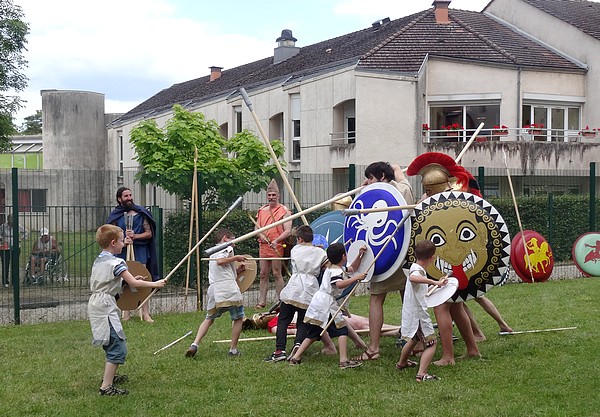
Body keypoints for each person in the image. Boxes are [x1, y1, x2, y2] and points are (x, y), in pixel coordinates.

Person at [88, 224, 166, 396]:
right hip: (105, 306)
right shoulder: (117, 262)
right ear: (114, 242)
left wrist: (125, 281)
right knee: (117, 345)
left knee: (110, 341)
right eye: (122, 241)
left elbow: (108, 281)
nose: (124, 243)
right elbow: (135, 284)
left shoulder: (100, 259)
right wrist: (155, 284)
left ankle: (110, 376)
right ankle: (106, 387)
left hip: (96, 304)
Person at [354, 161, 415, 361]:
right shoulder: (402, 190)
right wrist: (395, 171)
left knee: (377, 298)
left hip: (385, 256)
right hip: (399, 257)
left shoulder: (372, 195)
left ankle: (373, 348)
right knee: (408, 297)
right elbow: (403, 183)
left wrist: (365, 191)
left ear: (381, 176)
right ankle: (419, 343)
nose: (367, 181)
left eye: (371, 177)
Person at [288, 243, 367, 369]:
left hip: (319, 302)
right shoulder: (335, 271)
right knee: (342, 330)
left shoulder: (334, 268)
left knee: (314, 333)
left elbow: (352, 268)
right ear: (343, 256)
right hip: (326, 304)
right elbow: (339, 284)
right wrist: (356, 278)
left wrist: (360, 255)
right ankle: (343, 360)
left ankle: (296, 357)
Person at [264, 225, 327, 362]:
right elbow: (325, 266)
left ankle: (280, 350)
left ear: (299, 239)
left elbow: (305, 251)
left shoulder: (295, 249)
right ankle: (298, 344)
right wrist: (320, 250)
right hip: (310, 288)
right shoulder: (321, 253)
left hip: (294, 288)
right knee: (303, 322)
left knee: (283, 320)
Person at [186, 229, 247, 358]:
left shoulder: (212, 252)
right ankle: (233, 350)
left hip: (215, 289)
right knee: (238, 318)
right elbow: (220, 262)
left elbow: (222, 269)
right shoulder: (226, 249)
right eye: (233, 239)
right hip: (228, 289)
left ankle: (195, 344)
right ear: (225, 238)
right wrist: (236, 257)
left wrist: (237, 270)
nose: (234, 244)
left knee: (209, 318)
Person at [107, 187, 159, 323]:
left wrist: (135, 236)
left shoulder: (141, 213)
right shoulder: (116, 216)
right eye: (126, 196)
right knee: (123, 282)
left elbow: (149, 233)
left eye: (130, 195)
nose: (129, 198)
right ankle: (126, 313)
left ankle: (146, 312)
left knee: (143, 279)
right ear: (119, 199)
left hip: (140, 250)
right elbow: (111, 234)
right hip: (122, 251)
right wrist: (123, 241)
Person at [397, 239, 447, 382]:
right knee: (431, 343)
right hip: (417, 315)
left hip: (413, 312)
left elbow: (422, 291)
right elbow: (413, 278)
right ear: (432, 258)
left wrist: (438, 285)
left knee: (414, 339)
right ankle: (422, 374)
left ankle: (402, 363)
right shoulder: (416, 270)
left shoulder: (418, 269)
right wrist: (433, 281)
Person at [255, 179, 292, 308]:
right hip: (264, 245)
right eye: (269, 195)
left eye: (273, 195)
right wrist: (261, 236)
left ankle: (280, 301)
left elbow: (287, 230)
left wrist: (276, 240)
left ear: (278, 196)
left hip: (278, 246)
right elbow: (256, 229)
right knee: (263, 274)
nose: (271, 197)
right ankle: (262, 301)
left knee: (277, 273)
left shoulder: (284, 211)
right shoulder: (261, 211)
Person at [0, 214, 28, 287]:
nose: (13, 221)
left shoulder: (18, 226)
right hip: (5, 248)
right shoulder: (3, 226)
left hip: (15, 247)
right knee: (5, 265)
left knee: (14, 265)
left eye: (14, 219)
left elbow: (26, 232)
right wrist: (1, 239)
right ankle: (5, 281)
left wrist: (21, 238)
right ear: (8, 220)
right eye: (11, 219)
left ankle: (14, 281)